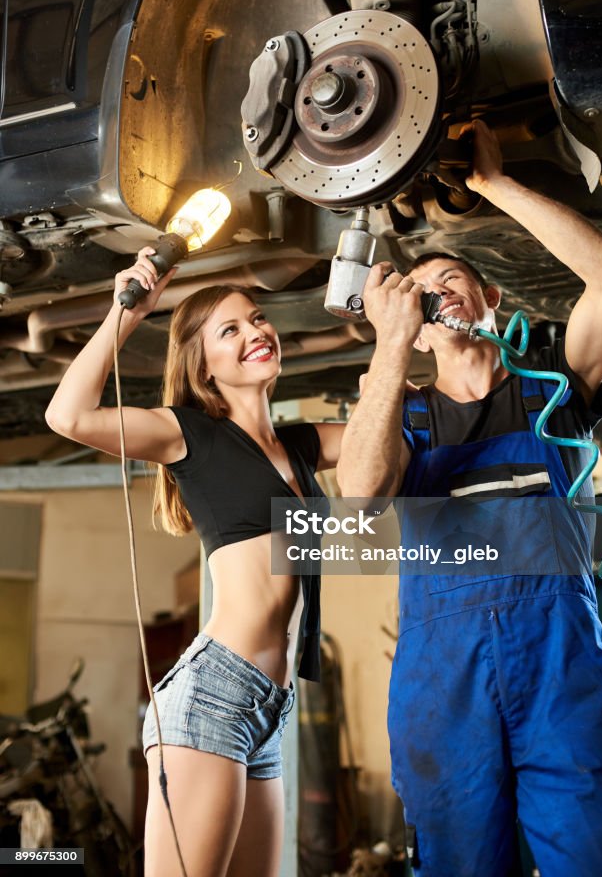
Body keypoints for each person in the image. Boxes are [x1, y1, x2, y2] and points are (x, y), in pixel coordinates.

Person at [337, 119, 602, 877]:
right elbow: (360, 494)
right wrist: (386, 346)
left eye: (451, 281)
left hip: (558, 676)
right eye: (420, 293)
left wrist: (494, 186)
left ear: (489, 298)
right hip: (444, 688)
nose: (436, 294)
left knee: (594, 855)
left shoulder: (553, 391)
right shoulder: (401, 414)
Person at [45, 250, 343, 877]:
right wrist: (128, 315)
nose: (256, 332)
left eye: (257, 319)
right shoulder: (191, 434)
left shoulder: (302, 445)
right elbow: (66, 416)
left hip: (269, 705)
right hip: (213, 694)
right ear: (202, 367)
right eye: (229, 330)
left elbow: (389, 437)